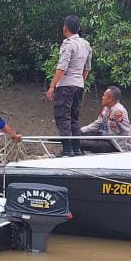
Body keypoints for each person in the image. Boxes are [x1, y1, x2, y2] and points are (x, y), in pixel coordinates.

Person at [46, 15, 92, 156]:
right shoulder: (86, 44)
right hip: (79, 85)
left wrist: (52, 86)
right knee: (73, 117)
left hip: (66, 85)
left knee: (62, 116)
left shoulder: (68, 44)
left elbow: (62, 67)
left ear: (65, 28)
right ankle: (76, 149)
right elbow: (87, 68)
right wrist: (81, 80)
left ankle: (67, 150)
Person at [79, 86, 131, 152]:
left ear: (110, 99)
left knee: (82, 143)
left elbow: (128, 131)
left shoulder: (119, 111)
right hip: (103, 136)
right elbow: (97, 124)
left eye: (104, 96)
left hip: (113, 143)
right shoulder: (106, 108)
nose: (102, 98)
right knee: (78, 136)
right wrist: (81, 130)